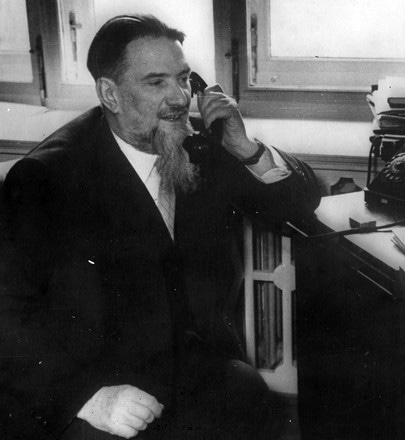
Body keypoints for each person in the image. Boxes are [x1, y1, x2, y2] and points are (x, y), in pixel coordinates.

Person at [0, 13, 320, 440]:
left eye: (184, 79)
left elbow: (300, 205)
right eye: (156, 83)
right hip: (98, 379)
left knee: (246, 392)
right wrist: (87, 397)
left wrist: (244, 148)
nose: (180, 98)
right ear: (110, 94)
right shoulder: (48, 177)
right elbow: (8, 315)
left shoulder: (200, 145)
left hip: (190, 364)